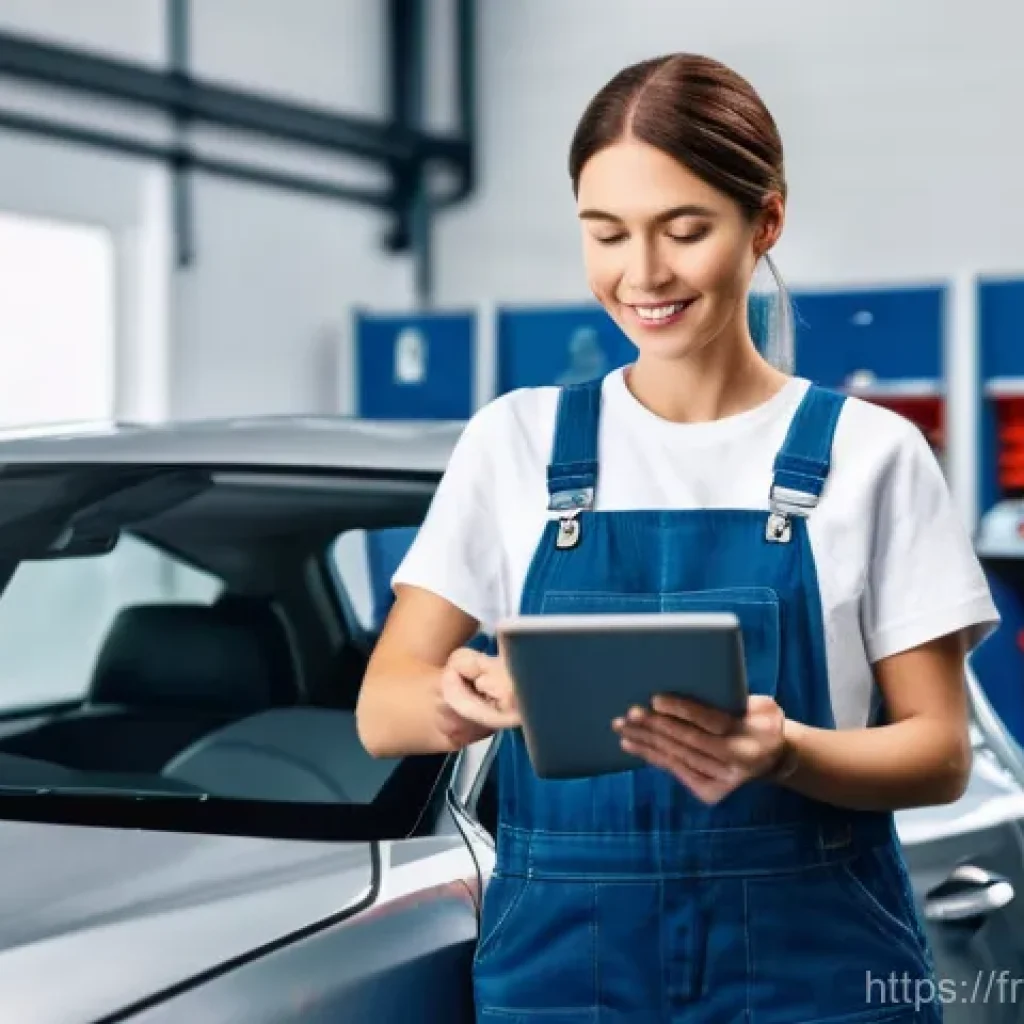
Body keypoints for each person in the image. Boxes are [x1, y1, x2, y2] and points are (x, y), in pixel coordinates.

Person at [356, 52, 1001, 1022]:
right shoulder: (515, 442)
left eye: (683, 229)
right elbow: (382, 709)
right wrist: (459, 698)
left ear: (764, 222)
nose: (641, 273)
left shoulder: (873, 456)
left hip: (812, 967)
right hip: (563, 970)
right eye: (605, 233)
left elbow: (938, 752)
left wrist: (787, 754)